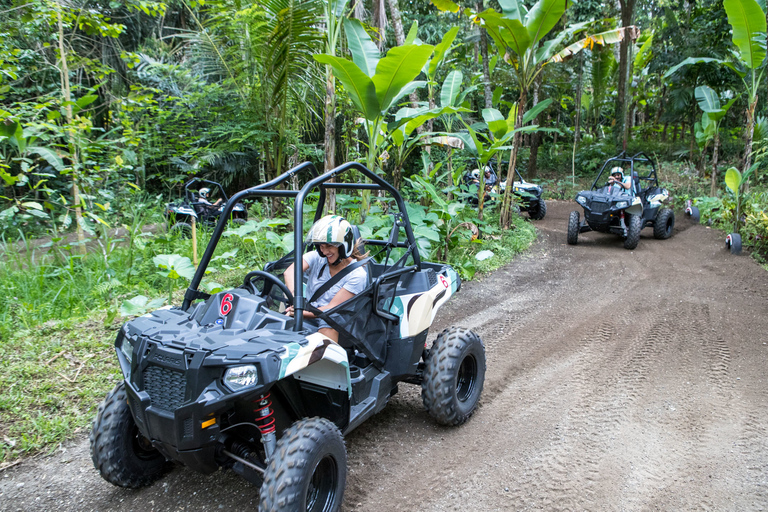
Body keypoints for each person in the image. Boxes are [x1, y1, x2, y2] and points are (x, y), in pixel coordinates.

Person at [284, 215, 368, 343]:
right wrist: (295, 299)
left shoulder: (357, 275)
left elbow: (332, 308)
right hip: (308, 310)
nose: (324, 251)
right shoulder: (317, 258)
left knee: (330, 320)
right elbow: (290, 272)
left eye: (328, 246)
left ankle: (324, 360)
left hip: (337, 319)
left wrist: (300, 312)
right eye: (320, 246)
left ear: (343, 246)